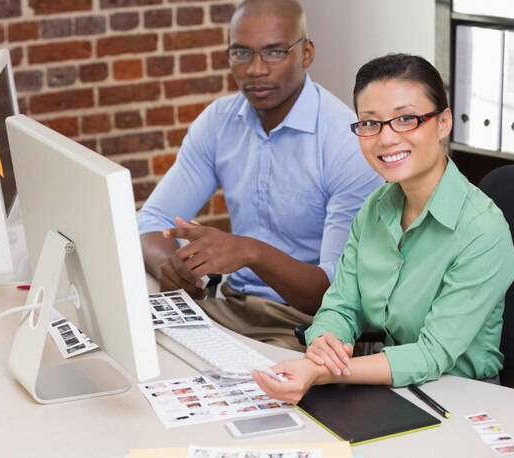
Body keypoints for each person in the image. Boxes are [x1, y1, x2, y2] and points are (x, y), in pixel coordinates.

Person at [252, 53, 514, 403]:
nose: (386, 138)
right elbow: (341, 307)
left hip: (463, 401)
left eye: (406, 119)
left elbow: (430, 354)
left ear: (443, 123)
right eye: (369, 123)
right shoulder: (375, 208)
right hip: (393, 390)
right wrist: (324, 343)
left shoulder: (482, 230)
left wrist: (322, 371)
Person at [137, 0, 383, 350]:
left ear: (307, 53)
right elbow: (151, 218)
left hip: (304, 324)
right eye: (241, 53)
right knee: (136, 347)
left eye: (274, 52)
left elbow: (336, 291)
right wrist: (170, 267)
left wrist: (252, 252)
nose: (255, 69)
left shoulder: (347, 144)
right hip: (228, 307)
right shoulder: (219, 121)